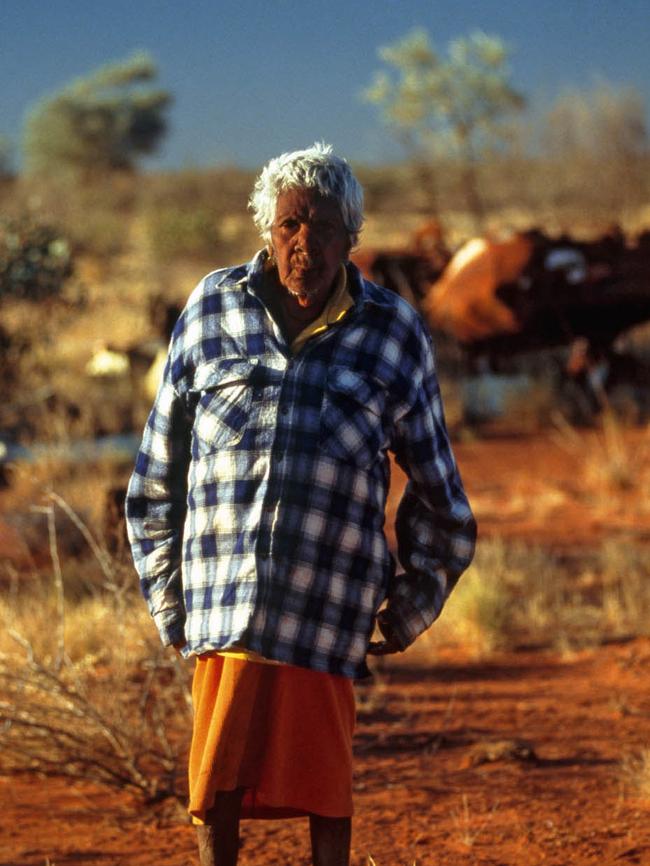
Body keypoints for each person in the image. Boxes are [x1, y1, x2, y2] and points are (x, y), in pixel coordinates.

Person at [125, 142, 476, 866]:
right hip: (225, 608)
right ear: (267, 229)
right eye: (289, 225)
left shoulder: (392, 332)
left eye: (323, 229)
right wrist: (168, 599)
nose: (304, 246)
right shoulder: (211, 309)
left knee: (326, 800)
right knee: (214, 794)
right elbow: (157, 475)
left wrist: (405, 611)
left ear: (353, 237)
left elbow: (443, 501)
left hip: (327, 611)